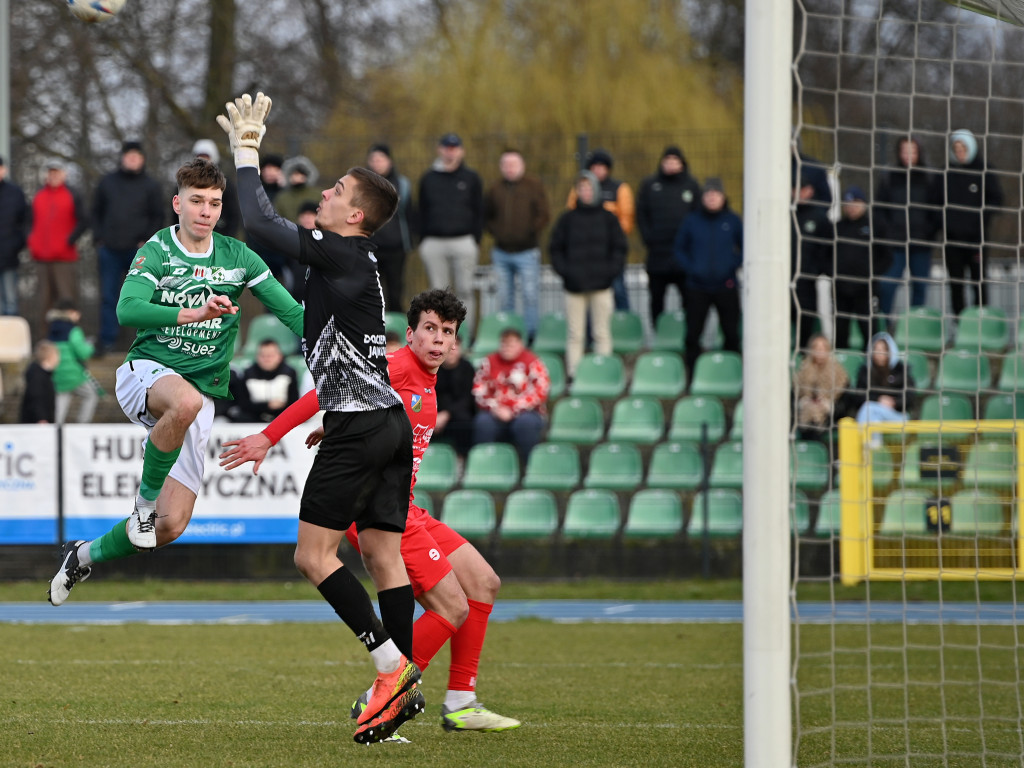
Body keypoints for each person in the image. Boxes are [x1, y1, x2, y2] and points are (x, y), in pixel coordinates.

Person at [219, 289, 520, 737]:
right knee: (453, 606)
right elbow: (325, 391)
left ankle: (459, 702)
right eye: (430, 329)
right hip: (381, 511)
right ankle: (388, 689)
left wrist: (339, 424)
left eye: (447, 332)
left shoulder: (427, 378)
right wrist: (269, 436)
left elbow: (370, 410)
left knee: (484, 582)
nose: (438, 339)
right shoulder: (397, 365)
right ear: (411, 334)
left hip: (407, 507)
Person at [218, 93, 422, 744]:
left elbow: (259, 222)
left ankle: (390, 670)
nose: (326, 193)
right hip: (384, 423)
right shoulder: (356, 262)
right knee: (384, 558)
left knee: (312, 556)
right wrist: (332, 413)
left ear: (355, 215)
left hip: (361, 427)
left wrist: (245, 152)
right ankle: (399, 694)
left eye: (336, 190)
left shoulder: (340, 250)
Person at [47, 156, 304, 607]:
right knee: (184, 404)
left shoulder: (238, 256)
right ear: (177, 203)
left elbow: (292, 313)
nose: (206, 211)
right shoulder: (158, 250)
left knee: (171, 527)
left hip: (197, 396)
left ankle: (82, 555)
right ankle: (142, 507)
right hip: (146, 373)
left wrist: (344, 347)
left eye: (215, 203)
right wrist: (194, 312)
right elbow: (127, 309)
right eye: (197, 201)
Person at [549, 170, 628, 379]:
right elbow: (555, 248)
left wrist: (610, 273)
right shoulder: (567, 219)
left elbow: (619, 249)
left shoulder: (609, 219)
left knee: (602, 332)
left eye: (589, 188)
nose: (585, 192)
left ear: (596, 190)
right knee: (575, 334)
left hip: (602, 286)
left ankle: (603, 374)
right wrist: (566, 272)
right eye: (581, 188)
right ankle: (575, 375)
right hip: (574, 287)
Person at [92, 141, 165, 354]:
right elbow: (95, 212)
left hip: (139, 251)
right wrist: (99, 238)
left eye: (136, 156)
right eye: (129, 155)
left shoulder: (151, 186)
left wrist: (147, 241)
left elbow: (158, 216)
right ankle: (107, 341)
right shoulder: (107, 182)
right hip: (109, 249)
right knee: (108, 296)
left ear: (142, 159)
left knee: (143, 296)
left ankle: (144, 340)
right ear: (122, 158)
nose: (132, 159)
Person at [673, 177, 743, 379]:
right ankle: (693, 376)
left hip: (726, 286)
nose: (712, 198)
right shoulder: (691, 221)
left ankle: (732, 375)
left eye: (716, 194)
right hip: (697, 287)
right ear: (703, 197)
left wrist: (731, 265)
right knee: (693, 335)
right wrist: (692, 268)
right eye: (708, 194)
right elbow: (679, 249)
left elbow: (746, 247)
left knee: (731, 333)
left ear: (723, 197)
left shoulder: (732, 221)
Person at [418, 133, 483, 337]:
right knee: (438, 294)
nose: (450, 152)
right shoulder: (428, 178)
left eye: (454, 148)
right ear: (440, 149)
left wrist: (475, 239)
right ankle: (440, 337)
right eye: (447, 148)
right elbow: (420, 210)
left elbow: (479, 210)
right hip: (434, 242)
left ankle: (464, 337)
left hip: (463, 241)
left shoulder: (471, 178)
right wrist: (423, 240)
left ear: (461, 151)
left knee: (465, 290)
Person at [483, 148, 550, 342]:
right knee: (505, 297)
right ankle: (509, 336)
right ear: (501, 167)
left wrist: (530, 231)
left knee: (530, 296)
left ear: (522, 165)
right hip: (501, 252)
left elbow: (544, 214)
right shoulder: (495, 189)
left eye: (514, 164)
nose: (510, 168)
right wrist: (497, 232)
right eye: (506, 164)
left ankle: (530, 336)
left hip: (527, 251)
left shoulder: (534, 186)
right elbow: (486, 215)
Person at [874, 137, 942, 323]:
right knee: (887, 285)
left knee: (920, 287)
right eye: (905, 151)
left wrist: (929, 232)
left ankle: (914, 326)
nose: (908, 155)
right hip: (895, 244)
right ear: (899, 152)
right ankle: (884, 324)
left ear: (919, 152)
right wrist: (887, 233)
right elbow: (879, 209)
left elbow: (937, 210)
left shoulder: (930, 178)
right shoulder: (889, 177)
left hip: (921, 244)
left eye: (912, 151)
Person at [636, 145, 701, 323]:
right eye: (668, 160)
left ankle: (688, 334)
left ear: (682, 163)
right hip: (657, 256)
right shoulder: (650, 185)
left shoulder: (691, 185)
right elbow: (641, 214)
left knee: (689, 299)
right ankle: (658, 333)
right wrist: (649, 238)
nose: (671, 164)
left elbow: (698, 216)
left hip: (684, 257)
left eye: (675, 160)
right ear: (662, 162)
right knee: (656, 300)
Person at [942, 128, 1003, 316]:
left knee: (979, 282)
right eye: (957, 149)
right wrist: (946, 223)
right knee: (956, 284)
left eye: (963, 149)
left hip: (977, 240)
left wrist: (980, 219)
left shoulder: (984, 171)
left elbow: (997, 200)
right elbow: (935, 203)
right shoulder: (947, 173)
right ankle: (959, 322)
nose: (960, 153)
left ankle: (981, 320)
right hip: (953, 241)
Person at [566, 148, 635, 311]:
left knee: (618, 289)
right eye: (594, 167)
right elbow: (570, 215)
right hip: (585, 251)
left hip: (610, 251)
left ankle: (622, 320)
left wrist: (611, 239)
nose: (598, 170)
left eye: (601, 166)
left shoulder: (619, 188)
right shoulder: (579, 189)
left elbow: (626, 219)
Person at [472, 327, 549, 466]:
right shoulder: (489, 362)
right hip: (496, 411)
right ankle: (483, 466)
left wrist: (513, 410)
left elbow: (541, 390)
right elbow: (479, 391)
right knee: (483, 422)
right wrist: (495, 408)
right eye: (504, 344)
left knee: (526, 423)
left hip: (527, 412)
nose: (507, 348)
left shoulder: (532, 361)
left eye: (511, 344)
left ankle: (530, 467)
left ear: (520, 344)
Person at [27, 160, 88, 328]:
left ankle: (70, 337)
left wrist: (69, 240)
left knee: (67, 300)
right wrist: (32, 240)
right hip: (41, 257)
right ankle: (44, 339)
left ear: (64, 174)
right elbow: (29, 221)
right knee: (43, 302)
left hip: (64, 258)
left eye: (57, 172)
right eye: (50, 172)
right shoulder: (38, 195)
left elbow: (84, 220)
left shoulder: (72, 194)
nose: (53, 176)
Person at [832, 186, 890, 351]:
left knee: (869, 330)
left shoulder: (876, 226)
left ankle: (870, 363)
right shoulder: (837, 228)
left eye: (855, 202)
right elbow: (825, 255)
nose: (851, 207)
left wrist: (870, 274)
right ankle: (842, 362)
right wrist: (833, 273)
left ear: (864, 203)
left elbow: (887, 256)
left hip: (866, 290)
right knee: (840, 331)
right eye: (848, 203)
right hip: (841, 290)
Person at [367, 144, 415, 312]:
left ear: (390, 161)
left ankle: (397, 324)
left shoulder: (402, 184)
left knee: (395, 291)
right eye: (374, 159)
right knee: (371, 291)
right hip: (370, 246)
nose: (377, 163)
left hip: (396, 247)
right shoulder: (363, 185)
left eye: (381, 159)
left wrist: (410, 240)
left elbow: (409, 214)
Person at [792, 173, 832, 352]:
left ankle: (804, 360)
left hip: (807, 283)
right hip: (782, 283)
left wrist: (816, 270)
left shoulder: (819, 217)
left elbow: (828, 248)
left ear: (810, 190)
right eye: (795, 189)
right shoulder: (785, 214)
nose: (799, 193)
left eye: (802, 189)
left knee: (806, 325)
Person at [47, 299, 103, 424]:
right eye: (77, 313)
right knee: (91, 395)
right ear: (70, 312)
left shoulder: (52, 329)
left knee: (62, 400)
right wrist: (91, 347)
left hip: (57, 373)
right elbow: (82, 352)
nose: (79, 316)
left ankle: (56, 427)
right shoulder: (73, 330)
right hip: (73, 373)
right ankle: (82, 424)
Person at [226, 338, 300, 423]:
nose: (267, 359)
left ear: (279, 357)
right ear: (257, 357)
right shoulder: (248, 373)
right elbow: (243, 403)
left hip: (283, 418)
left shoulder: (289, 373)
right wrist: (267, 405)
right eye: (263, 355)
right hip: (254, 418)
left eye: (270, 355)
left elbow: (294, 401)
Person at [793, 333, 848, 441]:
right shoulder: (803, 370)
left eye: (823, 348)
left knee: (817, 416)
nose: (819, 351)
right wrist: (804, 402)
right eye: (816, 348)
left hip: (830, 417)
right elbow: (793, 397)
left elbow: (846, 403)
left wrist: (828, 406)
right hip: (804, 414)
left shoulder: (839, 373)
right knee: (810, 413)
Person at [853, 332, 916, 424]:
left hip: (897, 415)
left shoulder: (901, 371)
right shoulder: (865, 372)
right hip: (873, 413)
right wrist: (878, 400)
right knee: (873, 417)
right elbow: (859, 396)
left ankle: (863, 434)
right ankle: (873, 434)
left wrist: (894, 402)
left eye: (883, 349)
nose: (880, 353)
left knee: (868, 409)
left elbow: (910, 397)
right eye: (876, 349)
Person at [434, 334, 476, 459]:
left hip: (458, 415)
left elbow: (467, 399)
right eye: (448, 346)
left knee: (464, 421)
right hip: (435, 414)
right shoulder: (433, 367)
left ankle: (462, 458)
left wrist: (446, 413)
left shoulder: (467, 368)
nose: (452, 350)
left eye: (456, 346)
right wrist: (433, 415)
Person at [190, 139, 241, 238]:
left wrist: (227, 239)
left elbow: (233, 215)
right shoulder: (186, 183)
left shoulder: (225, 184)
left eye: (206, 156)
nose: (203, 160)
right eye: (199, 156)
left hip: (219, 234)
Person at [0, 155, 29, 316]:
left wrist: (17, 245)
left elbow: (25, 222)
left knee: (10, 300)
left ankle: (9, 331)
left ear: (4, 170)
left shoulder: (15, 193)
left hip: (9, 256)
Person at [273, 155, 322, 224]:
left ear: (307, 175)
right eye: (294, 174)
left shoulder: (317, 195)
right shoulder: (282, 198)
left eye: (301, 173)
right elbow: (277, 219)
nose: (297, 177)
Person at [20, 340, 59, 424]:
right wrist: (41, 418)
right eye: (56, 355)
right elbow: (36, 398)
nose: (58, 359)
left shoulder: (45, 374)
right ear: (50, 356)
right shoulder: (37, 376)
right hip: (37, 424)